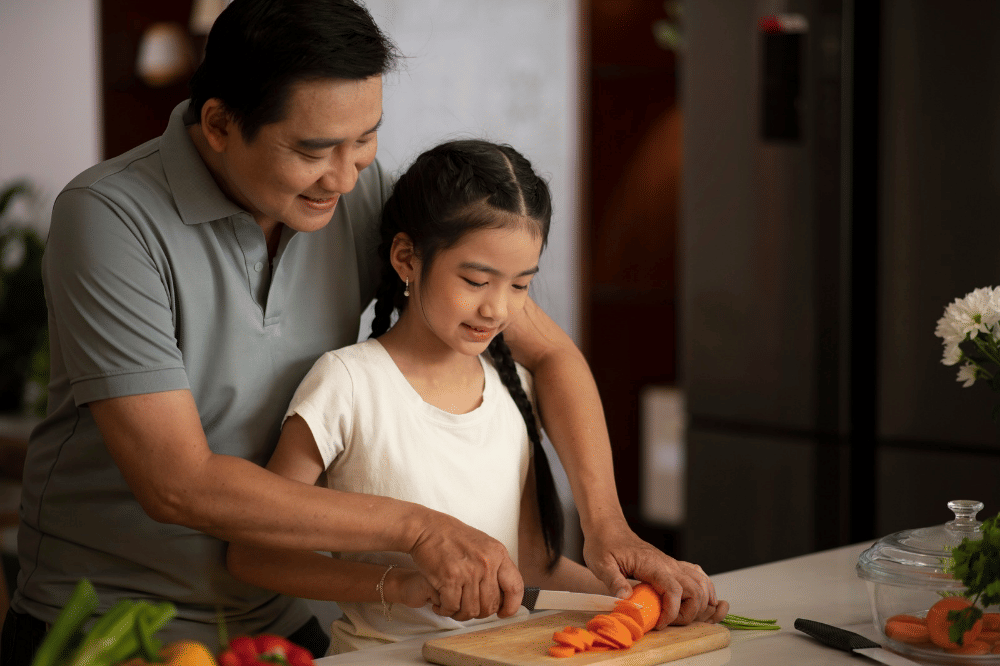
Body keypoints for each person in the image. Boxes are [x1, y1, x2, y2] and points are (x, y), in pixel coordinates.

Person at [2, 0, 725, 663]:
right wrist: (415, 530)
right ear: (219, 125)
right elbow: (178, 485)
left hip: (274, 620)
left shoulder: (359, 199)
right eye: (314, 149)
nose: (343, 179)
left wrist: (608, 529)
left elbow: (548, 350)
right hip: (112, 624)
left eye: (366, 140)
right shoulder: (109, 218)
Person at [227, 139, 633, 653]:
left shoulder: (514, 387)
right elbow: (253, 556)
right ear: (407, 259)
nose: (497, 310)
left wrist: (631, 596)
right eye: (476, 280)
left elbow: (530, 566)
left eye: (520, 286)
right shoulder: (347, 384)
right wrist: (401, 587)